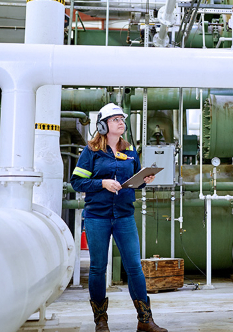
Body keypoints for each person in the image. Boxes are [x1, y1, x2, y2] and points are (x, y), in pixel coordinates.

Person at [71, 103, 167, 332]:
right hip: (98, 216)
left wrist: (144, 181)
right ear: (103, 125)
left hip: (124, 216)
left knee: (134, 266)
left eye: (122, 119)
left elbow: (134, 182)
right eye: (115, 119)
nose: (121, 122)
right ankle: (101, 321)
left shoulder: (131, 151)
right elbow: (77, 182)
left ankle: (145, 320)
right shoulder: (91, 152)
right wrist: (101, 183)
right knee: (97, 268)